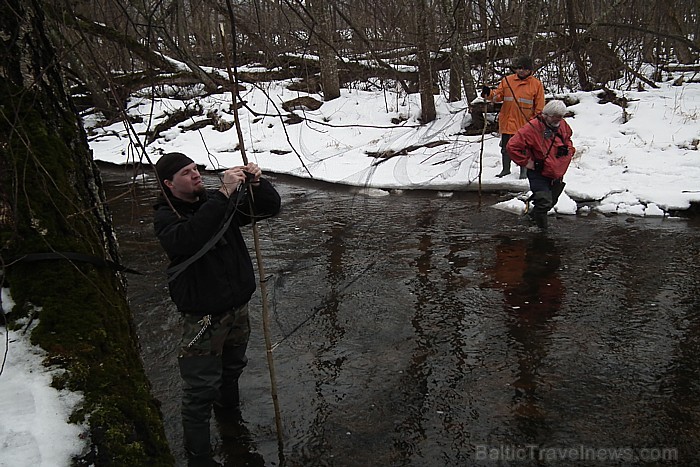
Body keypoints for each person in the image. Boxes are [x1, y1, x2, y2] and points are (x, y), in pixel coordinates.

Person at [152, 152, 281, 466]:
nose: (196, 175)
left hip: (237, 309)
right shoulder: (167, 216)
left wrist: (257, 184)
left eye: (196, 169)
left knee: (231, 372)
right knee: (199, 392)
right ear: (169, 184)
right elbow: (188, 239)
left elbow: (267, 209)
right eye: (186, 172)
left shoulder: (213, 200)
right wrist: (224, 194)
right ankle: (200, 458)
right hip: (203, 318)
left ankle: (231, 426)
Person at [506, 99, 576, 230]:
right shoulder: (531, 128)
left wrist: (569, 151)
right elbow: (512, 146)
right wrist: (526, 162)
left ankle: (532, 219)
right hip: (539, 171)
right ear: (546, 115)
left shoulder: (563, 125)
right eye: (556, 117)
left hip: (557, 171)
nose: (559, 120)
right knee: (544, 202)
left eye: (561, 117)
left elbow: (568, 138)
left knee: (550, 202)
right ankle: (542, 233)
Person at [481, 55, 545, 179]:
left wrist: (534, 122)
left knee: (524, 149)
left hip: (525, 124)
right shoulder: (507, 81)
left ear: (530, 70)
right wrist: (487, 93)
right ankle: (505, 169)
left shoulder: (536, 84)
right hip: (507, 121)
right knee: (505, 148)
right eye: (519, 68)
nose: (521, 71)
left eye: (525, 68)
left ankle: (524, 172)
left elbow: (539, 107)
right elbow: (497, 96)